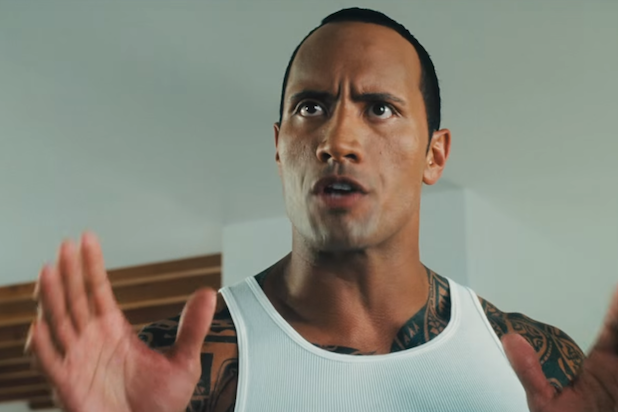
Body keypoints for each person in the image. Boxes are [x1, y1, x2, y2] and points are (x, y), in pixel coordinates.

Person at [25, 7, 617, 412]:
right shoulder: (176, 367)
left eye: (379, 108)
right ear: (279, 145)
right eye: (311, 107)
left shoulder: (537, 362)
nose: (338, 140)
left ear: (434, 155)